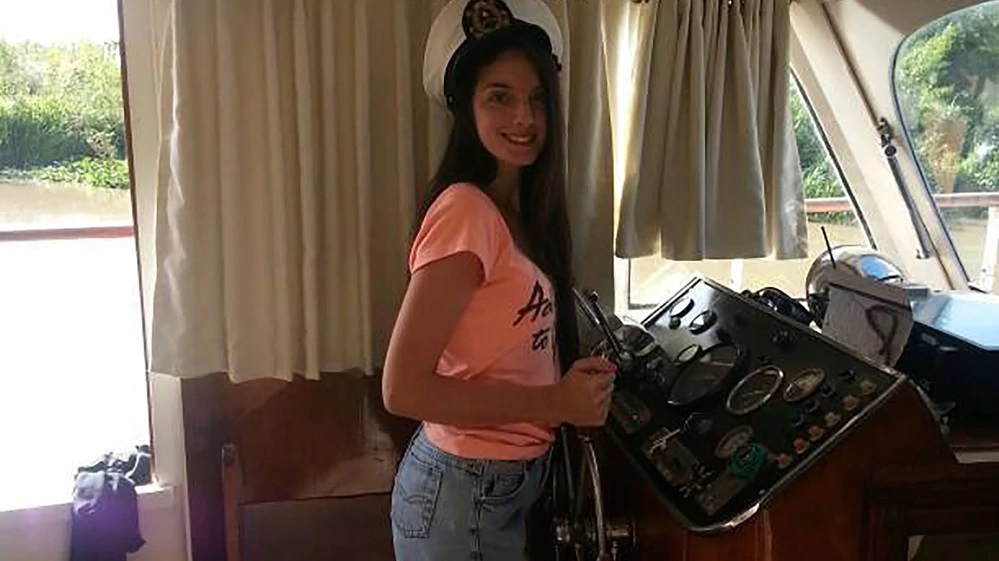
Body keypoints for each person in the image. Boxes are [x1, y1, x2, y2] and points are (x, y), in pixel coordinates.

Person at [381, 0, 617, 559]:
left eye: (537, 99)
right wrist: (556, 402)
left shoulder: (518, 214)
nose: (524, 118)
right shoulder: (466, 212)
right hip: (461, 491)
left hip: (491, 488)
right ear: (466, 107)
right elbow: (403, 388)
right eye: (500, 97)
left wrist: (566, 388)